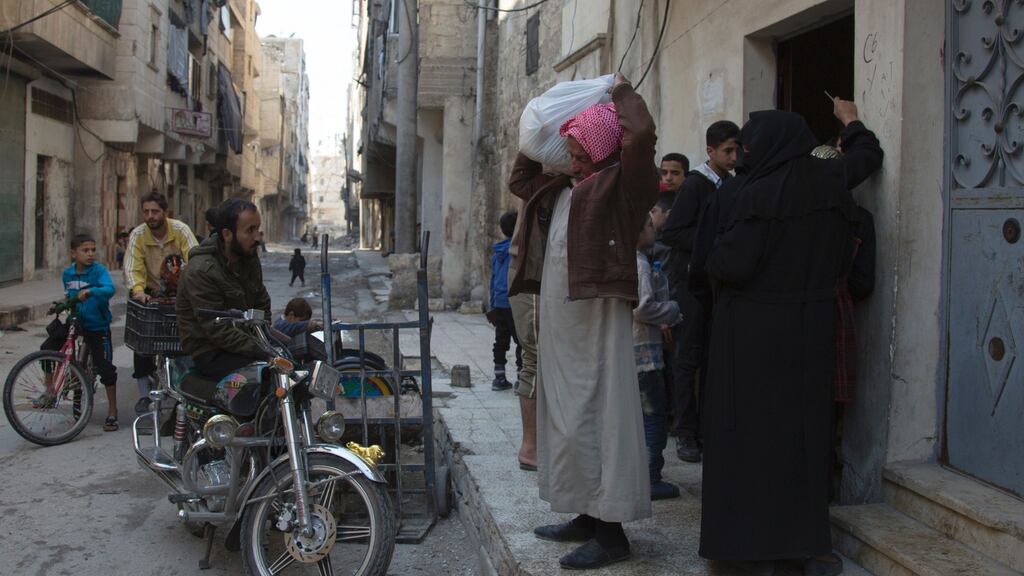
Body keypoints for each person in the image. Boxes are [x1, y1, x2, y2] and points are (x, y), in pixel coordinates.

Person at [697, 100, 882, 576]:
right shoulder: (830, 182)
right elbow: (868, 157)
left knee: (749, 440)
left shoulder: (750, 195)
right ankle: (802, 544)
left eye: (750, 146)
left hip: (752, 337)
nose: (744, 156)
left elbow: (727, 264)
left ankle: (746, 546)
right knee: (805, 438)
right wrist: (854, 123)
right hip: (814, 328)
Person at [508, 73, 658, 570]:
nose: (570, 160)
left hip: (596, 317)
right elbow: (520, 178)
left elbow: (641, 139)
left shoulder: (624, 187)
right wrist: (543, 121)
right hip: (563, 318)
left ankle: (612, 532)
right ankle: (586, 514)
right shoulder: (563, 187)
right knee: (567, 415)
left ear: (601, 152)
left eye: (578, 152)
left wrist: (618, 92)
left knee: (600, 413)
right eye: (566, 152)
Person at [661, 120, 740, 463]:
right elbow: (674, 233)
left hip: (715, 286)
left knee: (711, 358)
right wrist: (713, 242)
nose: (734, 156)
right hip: (691, 285)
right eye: (728, 151)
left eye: (737, 150)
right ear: (710, 151)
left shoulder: (731, 185)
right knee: (688, 357)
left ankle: (708, 428)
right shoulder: (696, 186)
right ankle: (686, 431)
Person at [176, 198, 272, 379]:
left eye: (257, 229)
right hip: (208, 349)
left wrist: (267, 338)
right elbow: (217, 329)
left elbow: (261, 300)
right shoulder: (201, 270)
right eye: (250, 231)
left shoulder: (249, 258)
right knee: (266, 375)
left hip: (245, 342)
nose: (257, 237)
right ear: (227, 234)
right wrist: (264, 351)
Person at [124, 191, 198, 415]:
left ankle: (185, 390)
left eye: (155, 211)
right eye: (146, 211)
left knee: (182, 342)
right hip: (149, 292)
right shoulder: (138, 235)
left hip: (179, 293)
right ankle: (144, 394)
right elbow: (132, 266)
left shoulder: (180, 231)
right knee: (143, 342)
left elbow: (195, 259)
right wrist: (138, 291)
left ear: (165, 213)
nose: (150, 216)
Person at [40, 234, 119, 431]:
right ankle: (49, 390)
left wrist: (92, 292)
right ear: (73, 253)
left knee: (105, 368)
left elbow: (109, 289)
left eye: (93, 250)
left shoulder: (99, 272)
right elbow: (69, 296)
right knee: (46, 349)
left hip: (97, 325)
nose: (90, 254)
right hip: (75, 321)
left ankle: (112, 410)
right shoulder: (67, 274)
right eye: (85, 250)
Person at [633, 215, 683, 501]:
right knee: (653, 416)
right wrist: (673, 310)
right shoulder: (638, 263)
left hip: (635, 352)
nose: (655, 228)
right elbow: (642, 309)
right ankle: (651, 477)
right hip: (644, 356)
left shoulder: (633, 260)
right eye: (649, 224)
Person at [487, 211, 521, 392]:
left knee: (500, 340)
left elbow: (492, 282)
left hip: (499, 303)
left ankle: (499, 378)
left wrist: (492, 305)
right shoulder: (517, 251)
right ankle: (522, 379)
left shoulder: (496, 254)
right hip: (514, 302)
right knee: (521, 341)